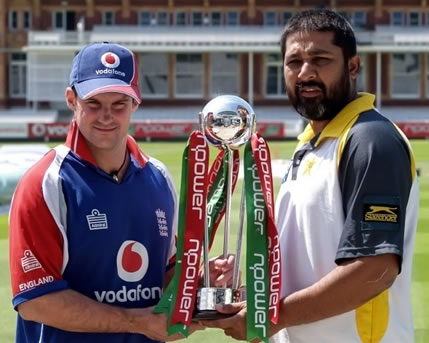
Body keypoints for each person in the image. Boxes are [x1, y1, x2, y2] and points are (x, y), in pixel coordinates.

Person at [203, 9, 419, 342]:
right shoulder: (309, 146)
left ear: (352, 66)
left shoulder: (370, 140)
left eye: (320, 59)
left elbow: (375, 269)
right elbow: (306, 267)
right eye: (293, 63)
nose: (305, 73)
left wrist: (272, 317)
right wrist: (253, 300)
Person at [9, 42, 234, 343]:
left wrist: (200, 284)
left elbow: (166, 275)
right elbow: (35, 301)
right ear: (71, 99)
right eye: (94, 104)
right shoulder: (45, 182)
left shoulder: (159, 178)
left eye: (119, 104)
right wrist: (136, 321)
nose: (106, 116)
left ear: (135, 104)